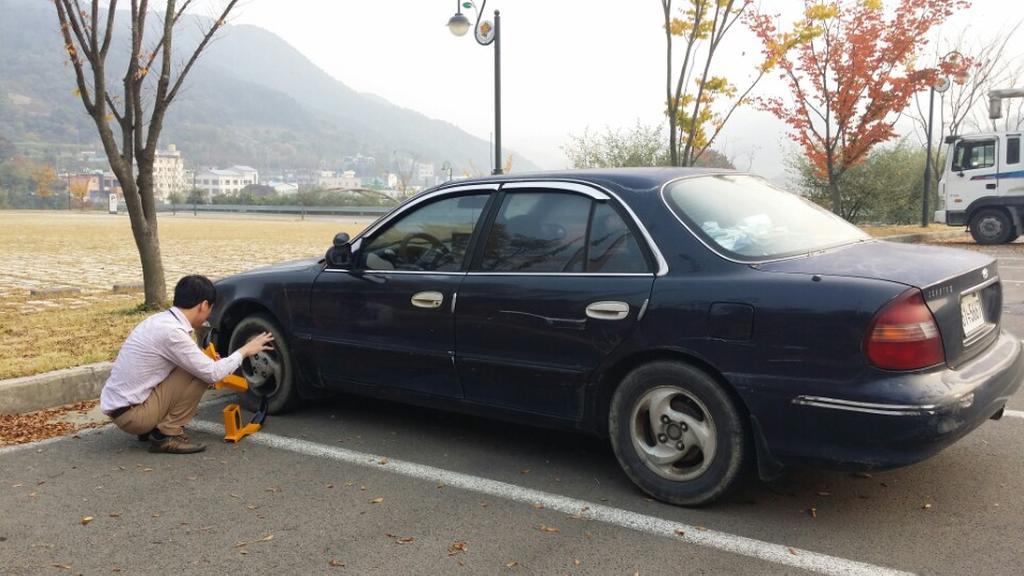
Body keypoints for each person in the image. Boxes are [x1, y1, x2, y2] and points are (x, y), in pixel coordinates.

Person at [99, 275, 274, 454]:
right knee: (201, 373)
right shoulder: (173, 332)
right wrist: (245, 350)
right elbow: (212, 373)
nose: (209, 314)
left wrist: (210, 363)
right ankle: (167, 435)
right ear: (204, 305)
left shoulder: (161, 321)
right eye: (210, 309)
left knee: (199, 365)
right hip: (133, 417)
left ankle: (152, 429)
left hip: (125, 408)